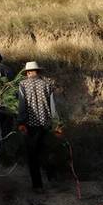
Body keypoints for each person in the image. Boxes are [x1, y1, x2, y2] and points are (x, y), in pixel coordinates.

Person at [17, 61, 59, 192]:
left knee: (32, 156)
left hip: (30, 126)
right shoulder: (47, 84)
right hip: (46, 124)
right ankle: (53, 180)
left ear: (29, 72)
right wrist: (57, 124)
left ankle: (38, 186)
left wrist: (21, 123)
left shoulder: (23, 84)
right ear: (38, 71)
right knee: (46, 152)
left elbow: (22, 106)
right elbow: (53, 107)